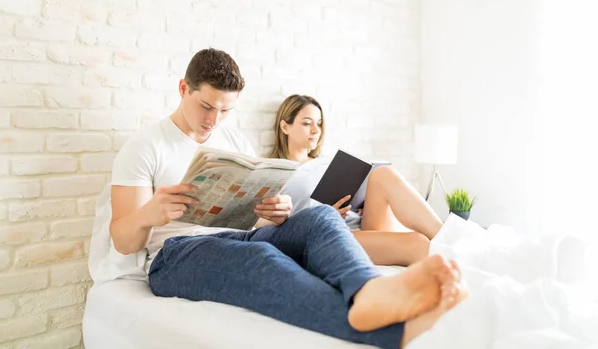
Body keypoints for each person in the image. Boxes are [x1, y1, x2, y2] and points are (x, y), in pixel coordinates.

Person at [109, 48, 467, 349]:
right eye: (206, 106)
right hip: (174, 257)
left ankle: (369, 291)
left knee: (319, 219)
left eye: (226, 110)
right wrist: (149, 214)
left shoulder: (232, 141)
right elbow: (124, 242)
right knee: (258, 256)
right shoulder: (145, 147)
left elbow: (254, 220)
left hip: (237, 236)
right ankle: (394, 332)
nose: (214, 119)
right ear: (184, 88)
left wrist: (275, 213)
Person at [271, 94, 445, 266]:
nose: (316, 130)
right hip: (328, 233)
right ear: (285, 127)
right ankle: (452, 251)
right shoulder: (275, 171)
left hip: (360, 224)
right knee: (418, 242)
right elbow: (279, 229)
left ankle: (447, 237)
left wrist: (363, 202)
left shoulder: (327, 162)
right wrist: (326, 215)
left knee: (383, 173)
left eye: (319, 124)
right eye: (307, 123)